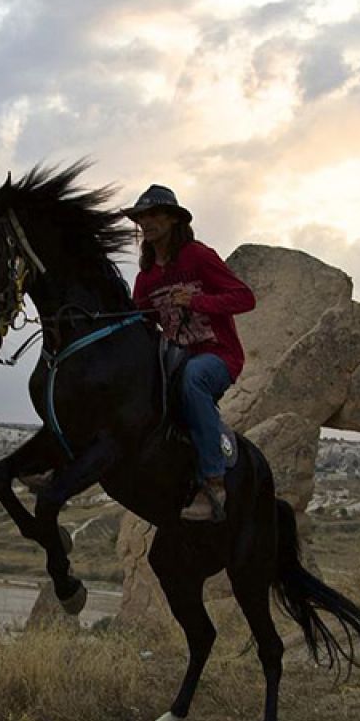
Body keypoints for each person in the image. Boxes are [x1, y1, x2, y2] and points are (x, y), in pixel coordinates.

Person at [121, 185, 255, 522]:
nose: (145, 223)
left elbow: (244, 298)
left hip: (217, 357)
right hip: (174, 359)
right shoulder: (147, 276)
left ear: (172, 219)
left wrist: (197, 301)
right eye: (141, 217)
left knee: (194, 379)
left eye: (153, 215)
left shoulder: (197, 256)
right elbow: (142, 318)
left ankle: (214, 481)